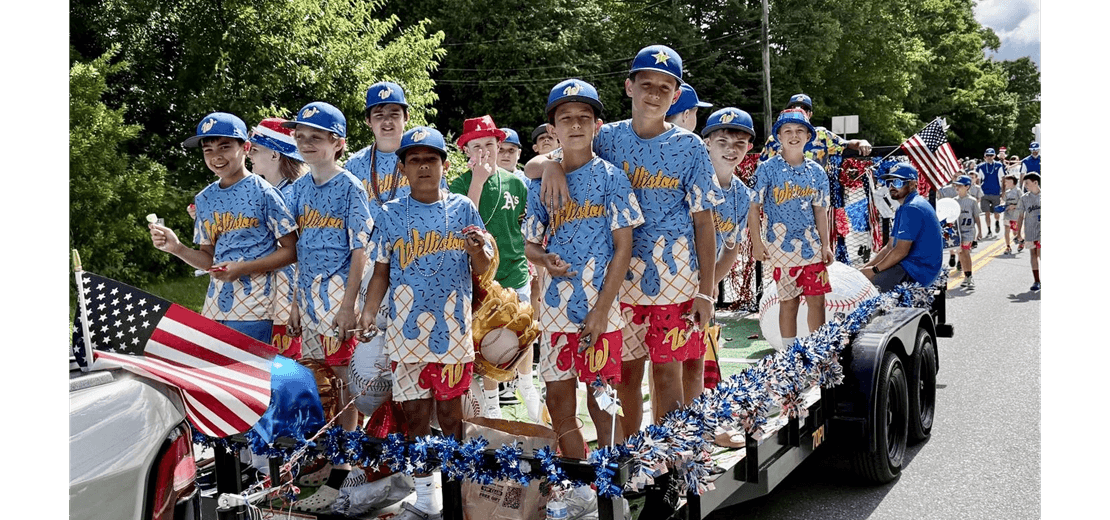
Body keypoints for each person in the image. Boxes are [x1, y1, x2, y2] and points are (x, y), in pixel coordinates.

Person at [527, 44, 723, 435]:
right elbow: (554, 156)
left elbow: (705, 222)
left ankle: (667, 462)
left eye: (665, 88)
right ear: (629, 86)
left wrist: (706, 289)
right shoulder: (608, 137)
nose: (654, 94)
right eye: (646, 84)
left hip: (675, 279)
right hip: (619, 283)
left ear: (676, 93)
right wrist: (549, 164)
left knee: (668, 376)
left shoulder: (690, 147)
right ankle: (632, 462)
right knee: (624, 379)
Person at [360, 126, 493, 520]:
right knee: (415, 416)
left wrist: (476, 249)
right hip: (405, 333)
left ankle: (453, 494)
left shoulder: (464, 209)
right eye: (414, 159)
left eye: (430, 159)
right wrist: (369, 310)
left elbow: (483, 268)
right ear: (402, 168)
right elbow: (381, 271)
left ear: (444, 165)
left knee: (452, 416)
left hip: (453, 332)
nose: (423, 166)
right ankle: (425, 498)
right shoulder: (387, 214)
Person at [525, 78, 642, 460]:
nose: (575, 125)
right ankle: (580, 485)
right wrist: (544, 259)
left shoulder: (611, 177)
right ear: (553, 129)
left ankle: (611, 480)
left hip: (602, 312)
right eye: (566, 118)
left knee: (603, 400)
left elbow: (624, 246)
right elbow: (529, 245)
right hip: (556, 311)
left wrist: (602, 310)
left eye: (584, 117)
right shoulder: (540, 182)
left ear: (597, 126)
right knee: (560, 403)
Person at [281, 102, 373, 512]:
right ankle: (329, 455)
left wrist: (349, 304)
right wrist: (298, 303)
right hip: (310, 297)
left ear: (337, 143)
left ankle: (347, 462)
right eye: (300, 137)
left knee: (343, 378)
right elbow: (297, 248)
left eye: (315, 138)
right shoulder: (298, 189)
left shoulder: (351, 186)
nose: (306, 144)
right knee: (320, 380)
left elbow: (360, 250)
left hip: (339, 295)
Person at [149, 112, 298, 344]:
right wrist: (177, 248)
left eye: (224, 147)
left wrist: (244, 268)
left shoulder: (265, 192)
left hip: (254, 307)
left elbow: (292, 250)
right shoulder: (204, 199)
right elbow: (209, 259)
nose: (216, 156)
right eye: (208, 150)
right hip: (214, 308)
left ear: (246, 147)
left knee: (246, 374)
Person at [449, 115, 541, 422]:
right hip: (480, 278)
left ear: (499, 145)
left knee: (523, 330)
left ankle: (528, 387)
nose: (485, 152)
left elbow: (520, 226)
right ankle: (491, 403)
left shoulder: (516, 182)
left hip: (514, 271)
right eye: (477, 146)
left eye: (490, 144)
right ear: (466, 151)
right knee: (487, 339)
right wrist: (477, 180)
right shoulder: (458, 186)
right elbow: (465, 224)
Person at [748, 108, 833, 350]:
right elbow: (753, 208)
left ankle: (819, 352)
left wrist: (825, 244)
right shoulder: (766, 169)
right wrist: (757, 242)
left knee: (817, 300)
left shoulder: (817, 172)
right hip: (781, 248)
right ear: (778, 136)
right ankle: (789, 355)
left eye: (799, 131)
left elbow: (820, 211)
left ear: (808, 136)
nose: (793, 135)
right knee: (788, 302)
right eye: (787, 131)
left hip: (812, 247)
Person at [246, 117, 309, 358]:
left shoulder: (290, 195)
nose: (249, 155)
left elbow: (300, 253)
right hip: (268, 301)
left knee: (282, 373)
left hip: (284, 302)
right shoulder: (275, 193)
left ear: (275, 155)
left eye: (256, 149)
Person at [702, 107, 755, 390]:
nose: (731, 150)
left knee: (702, 353)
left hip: (704, 284)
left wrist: (709, 283)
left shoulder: (741, 195)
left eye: (739, 144)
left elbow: (731, 249)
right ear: (707, 142)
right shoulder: (691, 179)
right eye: (722, 142)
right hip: (670, 279)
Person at [859, 163, 943, 292]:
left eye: (897, 182)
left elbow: (900, 251)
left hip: (919, 271)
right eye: (889, 182)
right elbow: (890, 247)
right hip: (911, 266)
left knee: (868, 290)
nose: (892, 187)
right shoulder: (903, 207)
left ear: (912, 184)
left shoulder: (912, 208)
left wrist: (874, 270)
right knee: (863, 279)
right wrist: (865, 269)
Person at [952, 175, 980, 290]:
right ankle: (965, 276)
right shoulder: (953, 201)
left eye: (960, 185)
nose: (957, 187)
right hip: (957, 232)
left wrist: (980, 231)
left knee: (965, 252)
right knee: (961, 254)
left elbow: (976, 217)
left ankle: (969, 276)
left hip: (968, 230)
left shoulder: (972, 201)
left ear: (967, 187)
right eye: (956, 185)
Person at [1016, 173, 1042, 291]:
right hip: (1030, 230)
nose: (1025, 185)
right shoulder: (1024, 198)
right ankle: (1037, 281)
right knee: (1033, 254)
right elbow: (1020, 216)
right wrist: (1018, 232)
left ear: (1035, 182)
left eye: (1027, 183)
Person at [975, 148, 1006, 238]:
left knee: (996, 213)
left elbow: (1003, 179)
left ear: (994, 156)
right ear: (985, 156)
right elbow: (978, 180)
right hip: (984, 193)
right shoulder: (981, 166)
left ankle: (996, 222)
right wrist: (978, 192)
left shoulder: (999, 165)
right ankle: (989, 230)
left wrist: (1003, 192)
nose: (989, 157)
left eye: (991, 155)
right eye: (987, 155)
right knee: (987, 213)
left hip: (995, 192)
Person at [1001, 175, 1022, 255]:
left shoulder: (1018, 191)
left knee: (1015, 232)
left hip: (1015, 215)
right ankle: (1008, 246)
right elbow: (1004, 201)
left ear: (1012, 182)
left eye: (1007, 181)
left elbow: (1023, 202)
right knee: (1006, 230)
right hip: (1007, 214)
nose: (1005, 183)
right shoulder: (1007, 192)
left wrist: (1015, 206)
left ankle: (1021, 242)